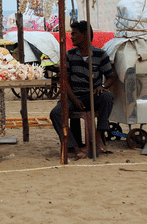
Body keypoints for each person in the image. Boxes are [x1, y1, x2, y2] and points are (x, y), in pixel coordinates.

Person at [50, 21, 116, 160]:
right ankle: (75, 147)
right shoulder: (70, 55)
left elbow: (110, 77)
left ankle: (98, 136)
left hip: (93, 96)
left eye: (74, 34)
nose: (72, 36)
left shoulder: (100, 54)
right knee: (56, 113)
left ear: (84, 35)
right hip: (74, 97)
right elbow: (65, 81)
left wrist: (103, 87)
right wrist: (74, 99)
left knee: (107, 98)